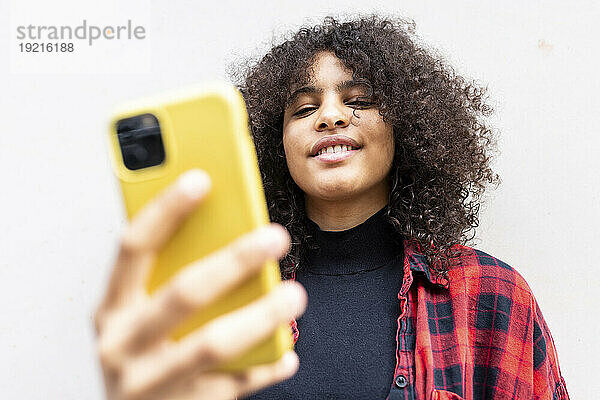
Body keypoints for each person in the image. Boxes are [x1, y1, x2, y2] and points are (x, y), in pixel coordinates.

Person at [95, 15, 570, 400]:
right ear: (271, 144)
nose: (330, 116)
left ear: (405, 126)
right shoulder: (217, 297)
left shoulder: (491, 294)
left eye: (358, 100)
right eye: (303, 109)